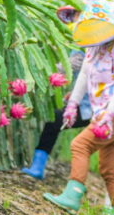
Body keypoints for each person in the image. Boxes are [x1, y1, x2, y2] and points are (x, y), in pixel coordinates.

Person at [44, 0, 114, 215]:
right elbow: (84, 76)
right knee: (109, 167)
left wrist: (108, 116)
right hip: (106, 110)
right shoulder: (94, 44)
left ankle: (73, 194)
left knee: (80, 145)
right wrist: (72, 105)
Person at [20, 48, 91, 180]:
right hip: (87, 106)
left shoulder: (84, 52)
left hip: (91, 109)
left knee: (55, 120)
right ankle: (37, 167)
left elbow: (66, 67)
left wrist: (35, 69)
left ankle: (38, 166)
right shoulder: (88, 50)